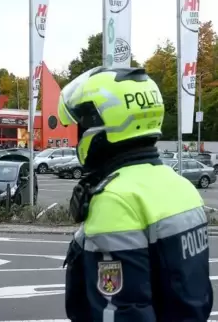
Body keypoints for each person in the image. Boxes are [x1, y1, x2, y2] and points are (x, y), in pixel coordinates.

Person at [58, 67, 213, 321]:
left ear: (100, 125)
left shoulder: (116, 199)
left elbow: (120, 312)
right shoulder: (181, 186)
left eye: (81, 125)